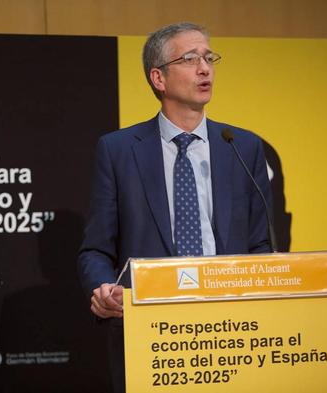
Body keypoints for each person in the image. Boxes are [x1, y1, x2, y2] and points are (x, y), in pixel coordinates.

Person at [78, 22, 272, 393]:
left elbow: (260, 245)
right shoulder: (119, 150)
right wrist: (103, 288)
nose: (205, 68)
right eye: (190, 59)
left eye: (209, 58)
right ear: (159, 78)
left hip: (232, 331)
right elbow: (96, 249)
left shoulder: (241, 146)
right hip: (153, 333)